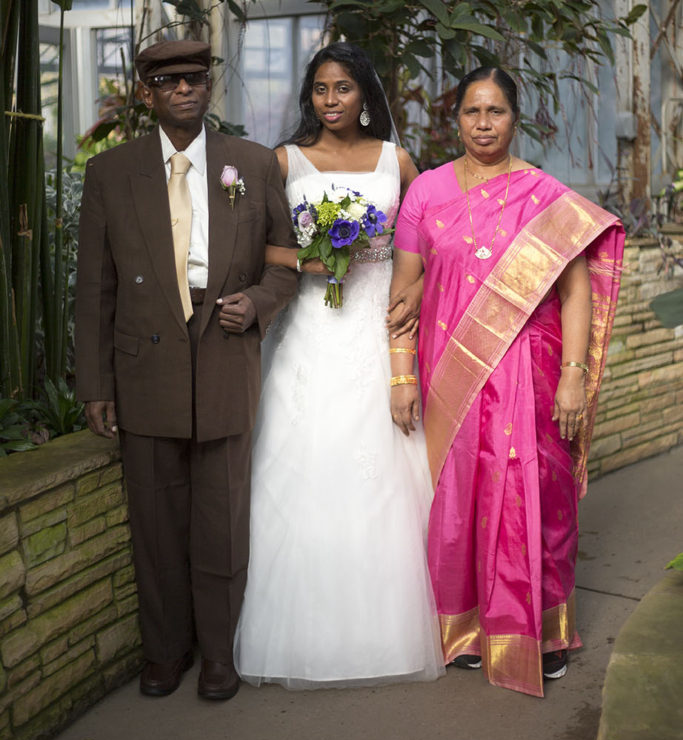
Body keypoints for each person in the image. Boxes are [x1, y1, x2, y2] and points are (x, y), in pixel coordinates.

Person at [390, 66, 624, 697]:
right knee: (461, 498)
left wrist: (574, 377)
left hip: (534, 368)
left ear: (514, 118)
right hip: (454, 369)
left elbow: (576, 291)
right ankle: (467, 627)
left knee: (537, 497)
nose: (484, 124)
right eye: (472, 111)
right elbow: (402, 296)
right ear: (456, 118)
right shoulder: (428, 193)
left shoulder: (546, 195)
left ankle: (543, 633)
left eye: (495, 111)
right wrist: (402, 376)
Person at [75, 39, 298, 701]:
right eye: (169, 81)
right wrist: (95, 385)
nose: (184, 90)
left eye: (195, 79)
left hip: (224, 353)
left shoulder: (252, 165)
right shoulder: (111, 173)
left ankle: (219, 656)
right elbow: (95, 288)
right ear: (147, 92)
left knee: (221, 524)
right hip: (145, 364)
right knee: (154, 521)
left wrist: (256, 303)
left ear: (210, 88)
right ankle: (164, 653)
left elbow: (285, 263)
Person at [233, 42, 444, 688]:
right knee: (307, 457)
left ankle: (395, 628)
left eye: (343, 89)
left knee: (386, 461)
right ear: (310, 96)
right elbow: (261, 245)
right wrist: (309, 260)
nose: (330, 101)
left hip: (378, 322)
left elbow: (426, 239)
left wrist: (410, 289)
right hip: (313, 329)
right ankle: (301, 634)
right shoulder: (283, 161)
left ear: (365, 96)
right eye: (320, 89)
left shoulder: (397, 160)